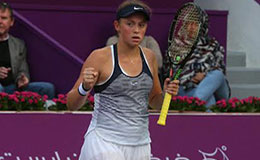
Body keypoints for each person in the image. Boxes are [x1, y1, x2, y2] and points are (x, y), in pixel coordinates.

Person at [66, 0, 179, 159]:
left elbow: (155, 102)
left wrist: (167, 95)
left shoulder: (150, 57)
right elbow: (71, 105)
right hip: (104, 143)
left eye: (141, 25)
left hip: (141, 145)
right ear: (117, 26)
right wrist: (84, 87)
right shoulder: (99, 57)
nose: (136, 30)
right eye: (130, 24)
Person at [162, 3, 230, 109]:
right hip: (186, 90)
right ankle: (197, 103)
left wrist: (205, 76)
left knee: (217, 74)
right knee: (209, 99)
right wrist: (190, 77)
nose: (192, 27)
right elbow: (170, 75)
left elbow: (220, 72)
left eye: (196, 24)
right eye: (189, 23)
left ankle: (195, 103)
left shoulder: (213, 45)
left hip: (216, 91)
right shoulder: (176, 47)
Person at [0, 2, 55, 99]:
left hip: (12, 88)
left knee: (47, 89)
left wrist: (22, 79)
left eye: (4, 18)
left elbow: (23, 70)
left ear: (11, 21)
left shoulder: (18, 44)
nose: (0, 21)